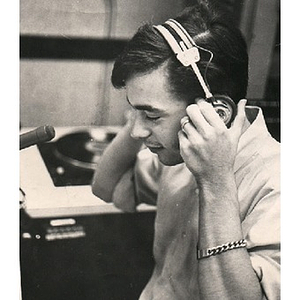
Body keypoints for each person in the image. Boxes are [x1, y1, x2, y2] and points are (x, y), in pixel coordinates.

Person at [92, 2, 280, 299]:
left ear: (215, 115)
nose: (138, 132)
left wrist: (215, 181)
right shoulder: (182, 148)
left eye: (152, 115)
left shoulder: (279, 184)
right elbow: (107, 186)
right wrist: (140, 111)